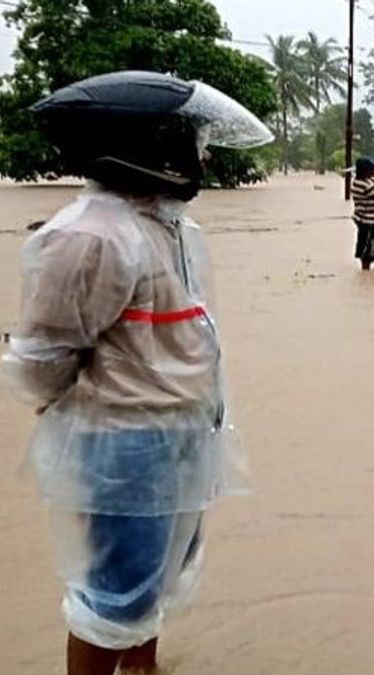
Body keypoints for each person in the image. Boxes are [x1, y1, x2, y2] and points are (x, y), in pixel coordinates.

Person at [2, 71, 271, 675]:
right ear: (149, 146)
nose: (201, 154)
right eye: (190, 139)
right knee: (113, 594)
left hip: (184, 430)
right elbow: (44, 359)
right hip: (126, 443)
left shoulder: (167, 225)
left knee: (160, 576)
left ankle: (143, 667)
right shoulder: (89, 236)